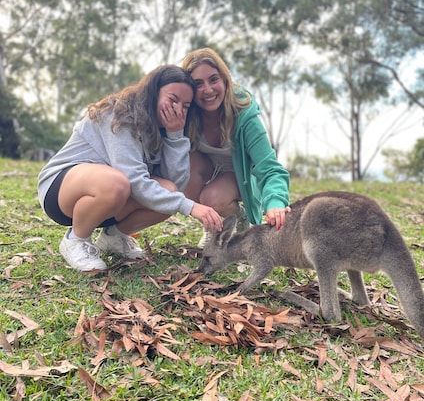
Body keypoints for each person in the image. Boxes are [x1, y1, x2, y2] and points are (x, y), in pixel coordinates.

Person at [37, 65, 222, 272]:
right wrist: (190, 206)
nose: (178, 109)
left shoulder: (161, 128)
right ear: (153, 93)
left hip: (111, 198)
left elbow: (174, 184)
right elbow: (133, 179)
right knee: (117, 182)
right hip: (61, 190)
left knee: (168, 192)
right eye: (173, 99)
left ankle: (114, 238)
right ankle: (76, 240)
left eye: (186, 106)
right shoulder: (118, 113)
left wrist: (175, 135)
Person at [181, 47, 291, 247]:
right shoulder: (188, 115)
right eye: (198, 84)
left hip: (240, 178)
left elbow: (271, 168)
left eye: (213, 79)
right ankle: (213, 225)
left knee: (211, 198)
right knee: (181, 170)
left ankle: (240, 218)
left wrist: (275, 202)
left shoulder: (245, 116)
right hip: (209, 169)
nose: (208, 90)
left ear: (225, 79)